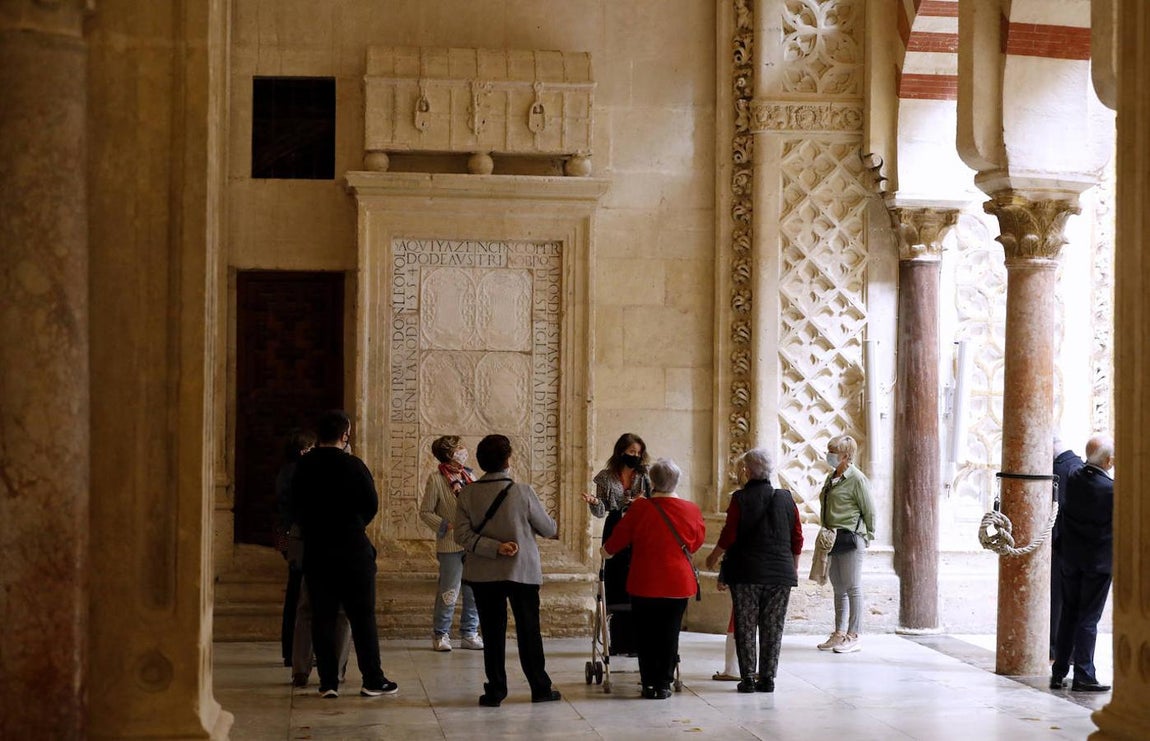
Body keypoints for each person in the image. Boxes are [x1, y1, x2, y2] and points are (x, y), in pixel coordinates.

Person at [291, 410, 397, 698]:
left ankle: (327, 682)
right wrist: (353, 525)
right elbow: (371, 503)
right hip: (352, 550)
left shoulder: (303, 466)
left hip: (317, 550)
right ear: (345, 435)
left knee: (322, 616)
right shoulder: (354, 465)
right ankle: (372, 679)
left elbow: (291, 506)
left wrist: (314, 527)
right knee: (362, 617)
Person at [454, 434, 561, 707]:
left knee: (491, 633)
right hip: (521, 572)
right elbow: (549, 529)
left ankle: (495, 691)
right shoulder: (523, 492)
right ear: (508, 460)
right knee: (529, 631)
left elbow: (461, 535)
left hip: (483, 574)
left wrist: (492, 547)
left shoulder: (467, 493)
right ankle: (540, 687)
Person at [602, 458, 705, 699]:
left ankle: (649, 682)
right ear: (677, 481)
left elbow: (617, 540)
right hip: (677, 583)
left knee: (645, 634)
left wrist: (605, 551)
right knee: (670, 633)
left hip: (644, 581)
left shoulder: (639, 508)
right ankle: (664, 683)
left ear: (652, 482)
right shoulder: (692, 509)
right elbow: (696, 542)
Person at [704, 448, 802, 693]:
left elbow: (730, 534)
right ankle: (767, 678)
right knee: (773, 627)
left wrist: (713, 557)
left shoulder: (740, 499)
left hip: (746, 572)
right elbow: (797, 538)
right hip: (780, 574)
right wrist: (794, 567)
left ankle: (747, 678)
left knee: (746, 625)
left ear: (746, 471)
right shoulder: (786, 498)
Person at [1051, 434, 1114, 693]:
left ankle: (1059, 672)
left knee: (1068, 615)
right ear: (1109, 460)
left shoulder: (1074, 477)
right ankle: (1084, 674)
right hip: (1097, 565)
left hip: (1070, 560)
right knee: (1088, 618)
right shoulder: (1111, 490)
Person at [581, 433, 652, 655]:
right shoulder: (605, 477)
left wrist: (641, 502)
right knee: (615, 578)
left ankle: (636, 642)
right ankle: (617, 640)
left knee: (636, 577)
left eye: (638, 453)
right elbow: (602, 510)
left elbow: (653, 503)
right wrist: (594, 503)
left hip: (638, 526)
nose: (635, 456)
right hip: (615, 525)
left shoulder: (644, 475)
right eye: (632, 452)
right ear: (621, 451)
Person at [419, 435, 483, 652]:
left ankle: (470, 632)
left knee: (473, 589)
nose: (464, 450)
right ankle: (441, 633)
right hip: (450, 544)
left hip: (473, 543)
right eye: (459, 448)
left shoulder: (471, 475)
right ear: (449, 454)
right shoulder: (436, 479)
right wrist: (446, 525)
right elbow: (426, 512)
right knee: (449, 591)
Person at [815, 434, 876, 654]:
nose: (829, 455)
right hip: (832, 538)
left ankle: (854, 634)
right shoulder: (832, 478)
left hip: (851, 537)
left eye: (833, 452)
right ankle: (839, 632)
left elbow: (869, 509)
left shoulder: (857, 479)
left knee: (853, 586)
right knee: (838, 587)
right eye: (829, 451)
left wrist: (868, 534)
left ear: (845, 455)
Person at [276, 428, 315, 668]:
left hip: (291, 536)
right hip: (298, 537)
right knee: (298, 595)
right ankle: (294, 651)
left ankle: (291, 651)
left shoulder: (287, 471)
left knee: (295, 593)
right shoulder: (296, 473)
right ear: (303, 451)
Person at [1051, 436, 1084, 660]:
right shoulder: (1080, 467)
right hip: (1076, 548)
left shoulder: (1059, 470)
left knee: (1058, 600)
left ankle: (1056, 648)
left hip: (1060, 548)